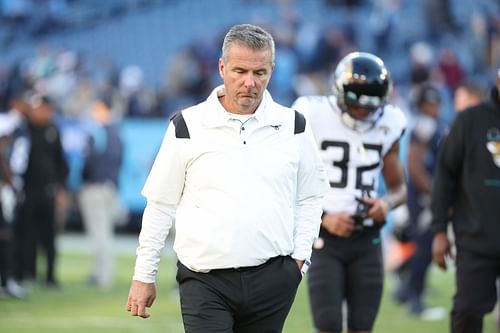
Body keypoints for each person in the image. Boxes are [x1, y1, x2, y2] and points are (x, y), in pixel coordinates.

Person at [126, 23, 329, 333]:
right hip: (203, 279)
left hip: (272, 278)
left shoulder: (294, 125)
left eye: (259, 73)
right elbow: (161, 204)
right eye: (239, 71)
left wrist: (299, 261)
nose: (249, 82)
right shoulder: (187, 124)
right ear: (222, 67)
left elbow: (311, 196)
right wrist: (144, 274)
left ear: (271, 71)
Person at [292, 51, 408, 333]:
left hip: (367, 238)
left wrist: (386, 204)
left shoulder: (390, 121)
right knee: (328, 325)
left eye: (371, 107)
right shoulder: (311, 114)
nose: (364, 113)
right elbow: (287, 182)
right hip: (325, 240)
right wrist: (324, 218)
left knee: (362, 326)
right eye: (357, 106)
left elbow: (399, 189)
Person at [430, 70, 500, 333]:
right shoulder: (470, 121)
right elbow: (445, 176)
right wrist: (439, 230)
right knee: (468, 311)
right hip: (475, 238)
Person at [393, 83, 447, 317]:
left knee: (424, 245)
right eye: (431, 103)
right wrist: (435, 193)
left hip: (425, 194)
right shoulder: (424, 125)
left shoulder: (431, 124)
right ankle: (414, 297)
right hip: (424, 196)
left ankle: (405, 288)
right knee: (425, 245)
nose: (435, 108)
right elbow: (414, 165)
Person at [13, 94, 68, 288]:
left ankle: (50, 276)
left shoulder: (53, 129)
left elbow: (61, 162)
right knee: (27, 233)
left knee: (49, 236)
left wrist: (61, 189)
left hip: (48, 191)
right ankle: (26, 272)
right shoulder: (24, 129)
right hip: (27, 190)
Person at [78, 95, 124, 290]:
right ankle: (100, 272)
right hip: (109, 187)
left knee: (99, 233)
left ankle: (103, 275)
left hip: (95, 187)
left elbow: (89, 162)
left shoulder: (99, 132)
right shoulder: (118, 133)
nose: (93, 113)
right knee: (103, 232)